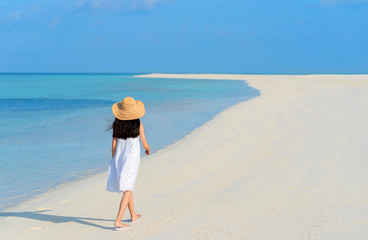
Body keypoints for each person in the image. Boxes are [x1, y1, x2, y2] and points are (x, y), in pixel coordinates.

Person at [106, 96, 150, 230]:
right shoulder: (138, 124)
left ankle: (133, 215)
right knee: (128, 188)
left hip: (119, 156)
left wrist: (114, 159)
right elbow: (144, 142)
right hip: (131, 157)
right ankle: (118, 221)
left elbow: (114, 143)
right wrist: (147, 149)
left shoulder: (117, 124)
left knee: (127, 187)